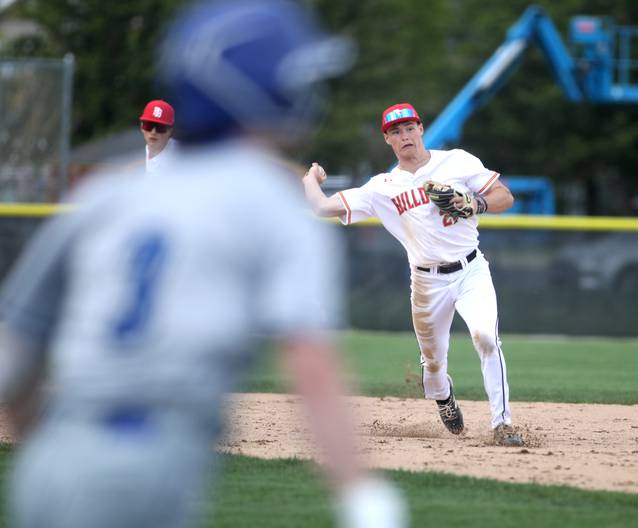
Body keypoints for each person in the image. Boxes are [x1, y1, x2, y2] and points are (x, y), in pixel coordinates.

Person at [0, 1, 407, 528]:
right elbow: (311, 362)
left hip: (49, 469)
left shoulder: (107, 194)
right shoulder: (271, 202)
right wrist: (363, 498)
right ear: (249, 86)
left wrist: (46, 448)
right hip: (150, 463)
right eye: (292, 74)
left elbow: (15, 354)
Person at [302, 102, 524, 447]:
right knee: (434, 366)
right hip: (426, 282)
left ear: (421, 129)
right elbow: (321, 207)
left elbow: (504, 197)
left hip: (471, 270)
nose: (404, 135)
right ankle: (443, 395)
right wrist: (310, 180)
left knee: (486, 337)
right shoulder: (382, 187)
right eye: (395, 131)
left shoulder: (457, 161)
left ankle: (503, 423)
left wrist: (476, 203)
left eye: (409, 128)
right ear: (387, 140)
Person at [139, 99, 177, 173]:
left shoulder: (180, 161)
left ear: (170, 131)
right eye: (148, 125)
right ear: (141, 127)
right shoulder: (149, 148)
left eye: (160, 127)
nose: (153, 132)